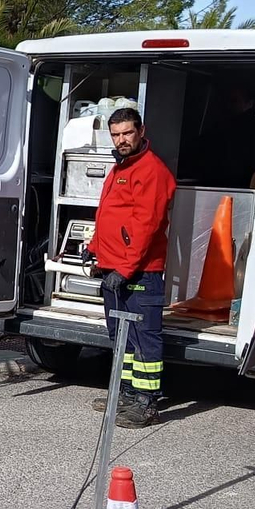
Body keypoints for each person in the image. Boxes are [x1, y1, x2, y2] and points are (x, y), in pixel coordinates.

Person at [86, 107, 177, 427]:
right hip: (116, 269)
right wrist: (94, 248)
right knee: (122, 338)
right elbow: (109, 215)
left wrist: (124, 270)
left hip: (140, 271)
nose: (121, 139)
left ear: (141, 132)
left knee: (144, 339)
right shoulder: (120, 167)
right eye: (116, 134)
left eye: (127, 133)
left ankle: (147, 402)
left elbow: (145, 226)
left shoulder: (151, 170)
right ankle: (125, 393)